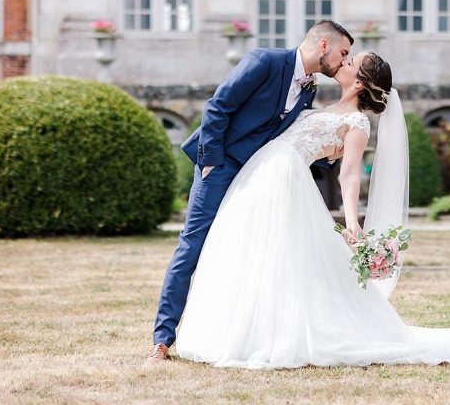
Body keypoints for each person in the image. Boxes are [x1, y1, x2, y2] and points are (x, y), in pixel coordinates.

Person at [172, 52, 450, 368]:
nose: (343, 62)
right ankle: (243, 330)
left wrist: (353, 222)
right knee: (250, 254)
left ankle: (269, 337)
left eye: (351, 60)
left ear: (360, 81)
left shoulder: (357, 123)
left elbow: (349, 176)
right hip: (263, 175)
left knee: (278, 257)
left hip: (284, 182)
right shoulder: (316, 104)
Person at [147, 20, 354, 363]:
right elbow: (218, 106)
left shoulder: (309, 89)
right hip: (221, 167)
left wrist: (329, 157)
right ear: (323, 46)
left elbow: (287, 136)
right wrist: (211, 162)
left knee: (242, 253)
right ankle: (162, 340)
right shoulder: (265, 61)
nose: (344, 61)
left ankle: (232, 336)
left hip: (257, 177)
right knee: (192, 245)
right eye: (343, 52)